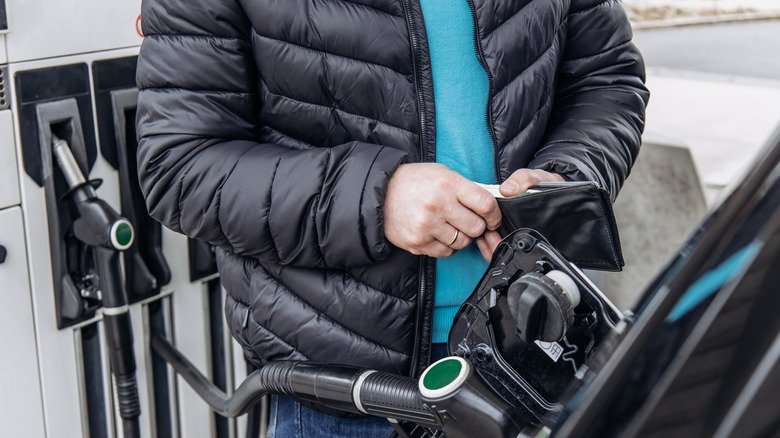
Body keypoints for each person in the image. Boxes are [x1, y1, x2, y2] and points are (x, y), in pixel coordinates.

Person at [135, 0, 649, 436]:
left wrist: (563, 177)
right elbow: (180, 164)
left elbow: (606, 79)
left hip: (536, 345)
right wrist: (377, 200)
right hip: (344, 385)